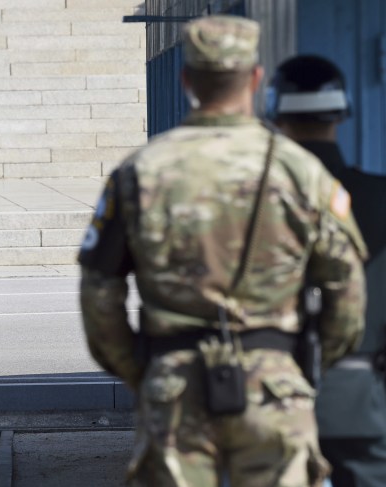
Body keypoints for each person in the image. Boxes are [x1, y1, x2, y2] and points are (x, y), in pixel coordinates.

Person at [79, 15, 367, 487]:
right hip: (275, 393)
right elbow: (347, 293)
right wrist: (298, 370)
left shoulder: (140, 171)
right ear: (255, 79)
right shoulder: (301, 171)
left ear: (186, 79)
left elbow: (99, 293)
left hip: (174, 389)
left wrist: (146, 371)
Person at [268, 54, 386, 487]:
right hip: (363, 395)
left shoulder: (247, 206)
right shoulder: (379, 198)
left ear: (274, 111)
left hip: (265, 397)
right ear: (342, 111)